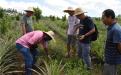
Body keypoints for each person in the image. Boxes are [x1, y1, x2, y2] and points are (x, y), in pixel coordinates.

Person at [102, 9, 121, 75]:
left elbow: (119, 46)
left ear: (109, 17)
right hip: (109, 59)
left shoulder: (115, 29)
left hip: (112, 61)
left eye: (103, 18)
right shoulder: (111, 27)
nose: (102, 20)